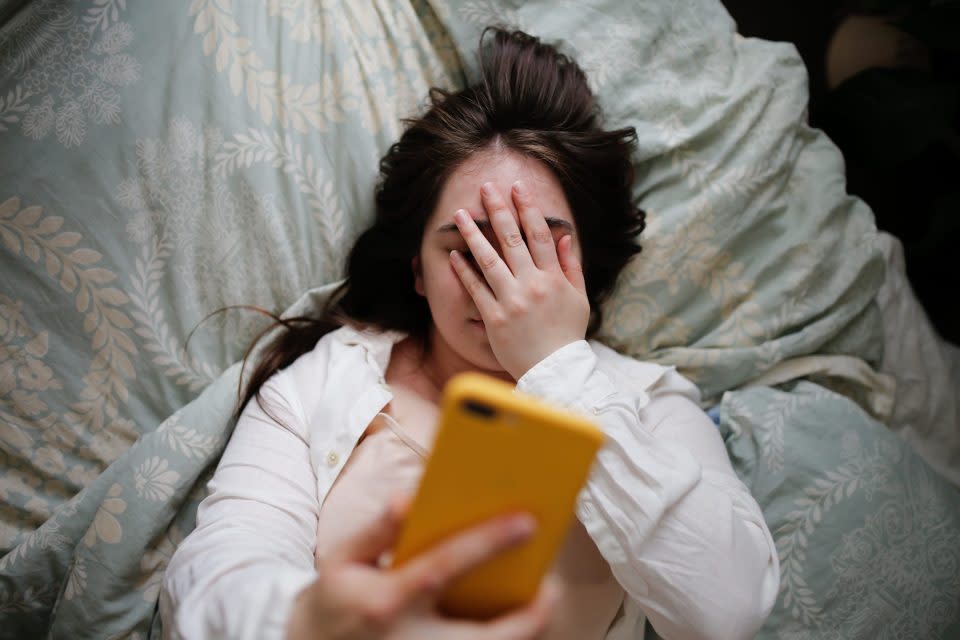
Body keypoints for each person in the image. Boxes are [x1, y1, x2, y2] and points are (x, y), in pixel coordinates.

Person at [162, 28, 779, 640]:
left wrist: (557, 366)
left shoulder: (651, 402)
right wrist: (306, 617)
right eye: (468, 248)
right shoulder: (318, 386)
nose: (505, 280)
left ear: (586, 273)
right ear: (419, 273)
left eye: (539, 246)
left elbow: (728, 611)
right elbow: (214, 574)